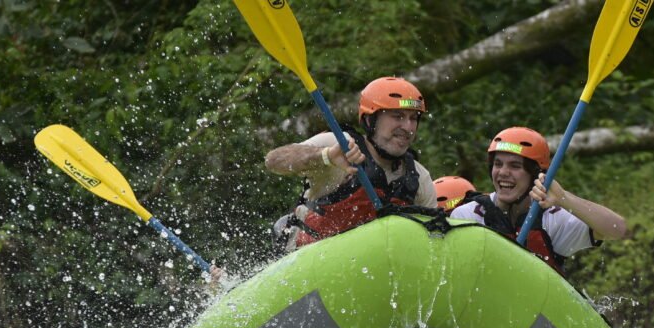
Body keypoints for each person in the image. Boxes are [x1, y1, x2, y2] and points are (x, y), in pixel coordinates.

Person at [265, 76, 437, 249]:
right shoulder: (340, 145)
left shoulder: (419, 177)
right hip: (311, 258)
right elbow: (274, 160)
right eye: (397, 116)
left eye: (413, 118)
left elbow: (432, 239)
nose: (408, 127)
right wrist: (326, 156)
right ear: (371, 120)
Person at [450, 126, 626, 274]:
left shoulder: (552, 219)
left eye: (515, 166)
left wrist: (564, 198)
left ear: (535, 174)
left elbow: (617, 229)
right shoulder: (467, 215)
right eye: (498, 164)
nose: (503, 172)